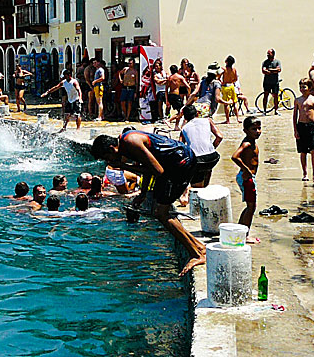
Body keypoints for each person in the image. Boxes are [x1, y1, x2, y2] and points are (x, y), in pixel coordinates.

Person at [91, 131, 205, 276]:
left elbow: (157, 170)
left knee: (161, 213)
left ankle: (197, 255)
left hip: (180, 164)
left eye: (108, 158)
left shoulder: (131, 142)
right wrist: (143, 193)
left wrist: (122, 166)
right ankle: (199, 247)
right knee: (159, 211)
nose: (109, 162)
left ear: (113, 149)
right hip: (174, 165)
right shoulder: (127, 143)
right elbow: (147, 167)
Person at [231, 117, 261, 242]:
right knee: (251, 206)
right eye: (254, 129)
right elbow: (234, 156)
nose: (258, 131)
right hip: (247, 178)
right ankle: (245, 234)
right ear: (245, 130)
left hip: (248, 178)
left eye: (259, 128)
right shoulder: (247, 143)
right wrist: (246, 170)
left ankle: (241, 231)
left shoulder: (252, 142)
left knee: (251, 206)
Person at [180, 104, 223, 187]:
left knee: (196, 187)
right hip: (213, 157)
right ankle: (205, 188)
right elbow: (219, 137)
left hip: (197, 160)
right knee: (207, 168)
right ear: (197, 114)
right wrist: (212, 148)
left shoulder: (184, 128)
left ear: (185, 117)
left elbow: (181, 146)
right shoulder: (207, 120)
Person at [294, 78, 314, 182]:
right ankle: (305, 173)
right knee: (303, 151)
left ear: (310, 88)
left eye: (304, 87)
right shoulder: (298, 100)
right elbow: (295, 115)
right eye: (300, 87)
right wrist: (295, 130)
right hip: (301, 126)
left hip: (312, 126)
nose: (302, 89)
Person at [220, 55, 241, 124]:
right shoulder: (234, 70)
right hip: (232, 86)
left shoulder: (223, 69)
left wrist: (222, 83)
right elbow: (236, 79)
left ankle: (228, 120)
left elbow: (218, 77)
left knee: (226, 104)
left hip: (226, 86)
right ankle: (237, 118)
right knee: (234, 103)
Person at [262, 48, 282, 115]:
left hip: (275, 82)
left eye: (269, 53)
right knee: (266, 95)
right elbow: (264, 71)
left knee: (275, 96)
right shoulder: (265, 62)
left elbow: (278, 70)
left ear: (273, 54)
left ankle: (276, 110)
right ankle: (264, 111)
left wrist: (270, 70)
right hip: (267, 82)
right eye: (267, 53)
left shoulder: (277, 62)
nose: (267, 54)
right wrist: (273, 71)